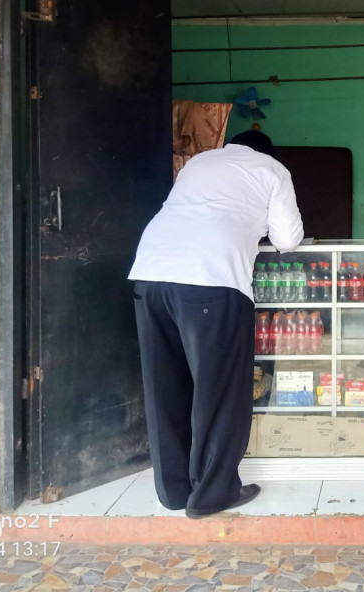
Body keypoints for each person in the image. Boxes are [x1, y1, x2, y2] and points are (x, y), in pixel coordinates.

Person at [128, 129, 303, 516]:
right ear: (266, 152)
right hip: (210, 280)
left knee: (166, 386)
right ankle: (212, 493)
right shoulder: (272, 169)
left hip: (151, 274)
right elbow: (289, 239)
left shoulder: (199, 161)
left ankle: (174, 491)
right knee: (220, 391)